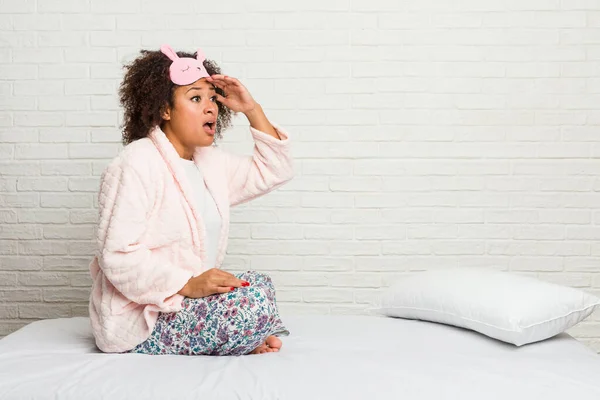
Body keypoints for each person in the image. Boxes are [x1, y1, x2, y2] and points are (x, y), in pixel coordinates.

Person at [88, 44, 294, 356]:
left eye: (212, 98)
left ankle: (237, 334)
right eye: (195, 98)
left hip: (187, 303)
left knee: (257, 284)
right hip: (145, 313)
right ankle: (239, 335)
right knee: (248, 306)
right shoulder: (136, 163)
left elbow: (276, 170)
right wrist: (186, 284)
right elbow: (117, 255)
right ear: (165, 110)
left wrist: (251, 109)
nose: (210, 108)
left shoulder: (208, 163)